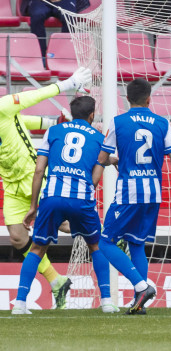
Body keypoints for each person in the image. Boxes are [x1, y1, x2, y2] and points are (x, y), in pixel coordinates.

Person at [12, 96, 118, 315]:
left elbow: (39, 170)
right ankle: (106, 301)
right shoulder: (99, 138)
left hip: (52, 197)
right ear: (92, 115)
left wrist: (33, 206)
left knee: (38, 248)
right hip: (81, 198)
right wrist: (111, 162)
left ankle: (20, 303)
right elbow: (97, 173)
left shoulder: (54, 132)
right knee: (95, 246)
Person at [0, 66, 92, 310]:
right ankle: (57, 280)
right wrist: (54, 122)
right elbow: (22, 122)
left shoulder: (4, 105)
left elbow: (34, 97)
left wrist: (68, 83)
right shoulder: (7, 116)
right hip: (11, 185)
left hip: (34, 176)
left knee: (61, 222)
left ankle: (109, 237)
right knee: (18, 238)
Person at [93, 78, 171, 315]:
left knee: (105, 241)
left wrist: (97, 175)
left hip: (129, 191)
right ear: (149, 99)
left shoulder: (118, 122)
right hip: (153, 192)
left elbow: (103, 158)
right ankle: (139, 303)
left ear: (127, 99)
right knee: (136, 243)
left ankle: (141, 286)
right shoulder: (162, 122)